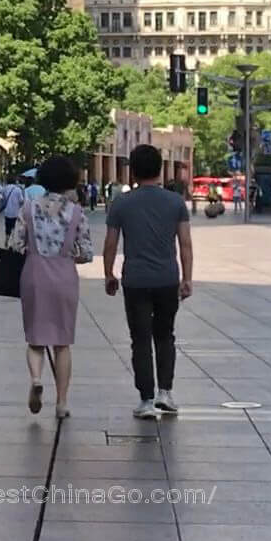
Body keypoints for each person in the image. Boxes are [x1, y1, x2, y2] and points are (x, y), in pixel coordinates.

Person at [104, 145, 193, 420]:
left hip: (136, 280)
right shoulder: (175, 202)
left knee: (140, 339)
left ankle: (145, 399)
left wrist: (109, 273)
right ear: (159, 168)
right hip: (167, 278)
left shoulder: (121, 203)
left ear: (133, 170)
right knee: (165, 335)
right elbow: (185, 244)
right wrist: (187, 278)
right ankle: (165, 393)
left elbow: (110, 243)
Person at [17, 156, 90, 420]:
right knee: (62, 342)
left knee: (35, 338)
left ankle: (37, 378)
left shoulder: (28, 208)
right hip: (64, 276)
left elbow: (16, 244)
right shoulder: (76, 212)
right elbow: (86, 253)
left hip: (34, 274)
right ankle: (62, 402)